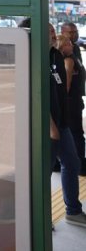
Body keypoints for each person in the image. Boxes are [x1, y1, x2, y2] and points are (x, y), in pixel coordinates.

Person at [20, 18, 86, 228]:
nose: (52, 32)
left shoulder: (55, 55)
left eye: (51, 29)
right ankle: (38, 220)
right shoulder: (30, 60)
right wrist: (50, 127)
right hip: (45, 128)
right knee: (42, 173)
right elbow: (33, 97)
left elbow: (60, 90)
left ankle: (73, 211)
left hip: (62, 124)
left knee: (72, 163)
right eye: (47, 30)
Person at [61, 21, 86, 174]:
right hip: (70, 102)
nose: (75, 34)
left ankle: (78, 162)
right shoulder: (66, 54)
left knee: (75, 133)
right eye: (71, 32)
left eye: (75, 31)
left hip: (76, 99)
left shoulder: (75, 49)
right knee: (75, 133)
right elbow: (67, 82)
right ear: (63, 33)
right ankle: (79, 164)